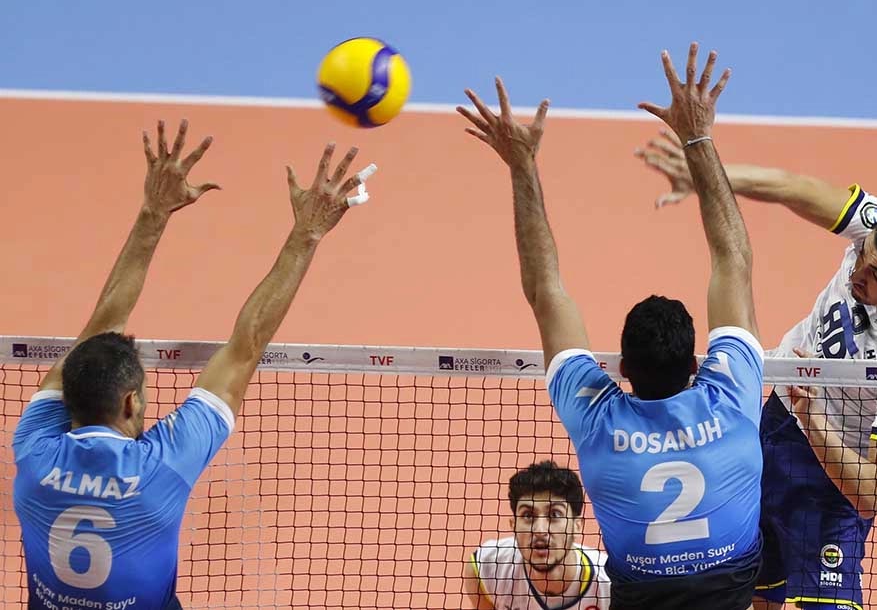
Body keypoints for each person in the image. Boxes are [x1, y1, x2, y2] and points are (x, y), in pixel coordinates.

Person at [12, 120, 372, 610]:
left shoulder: (33, 449)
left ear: (64, 398)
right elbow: (246, 345)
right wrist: (307, 232)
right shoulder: (161, 465)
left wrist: (152, 212)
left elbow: (102, 328)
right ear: (130, 401)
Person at [456, 43, 765, 610]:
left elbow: (545, 291)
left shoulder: (598, 418)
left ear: (620, 369)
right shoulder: (732, 394)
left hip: (641, 596)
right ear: (696, 365)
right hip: (732, 588)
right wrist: (697, 137)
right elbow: (734, 259)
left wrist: (521, 165)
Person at [637, 129, 877, 610]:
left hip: (831, 480)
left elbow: (872, 493)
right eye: (862, 256)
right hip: (773, 425)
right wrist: (707, 176)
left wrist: (816, 421)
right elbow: (792, 187)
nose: (857, 275)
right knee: (757, 593)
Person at [464, 460, 610, 610]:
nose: (540, 530)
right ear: (513, 524)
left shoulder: (608, 586)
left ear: (577, 526)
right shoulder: (489, 567)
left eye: (554, 514)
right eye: (527, 515)